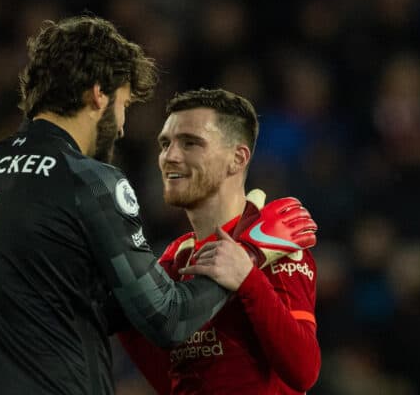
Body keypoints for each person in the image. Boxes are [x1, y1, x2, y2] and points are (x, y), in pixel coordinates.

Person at [0, 16, 314, 395]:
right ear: (99, 94)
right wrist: (249, 252)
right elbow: (168, 319)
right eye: (123, 104)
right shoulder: (88, 179)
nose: (120, 126)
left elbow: (77, 307)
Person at [118, 88, 321, 394]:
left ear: (237, 158)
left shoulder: (279, 245)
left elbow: (304, 371)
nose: (169, 157)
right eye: (165, 144)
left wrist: (248, 279)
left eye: (190, 143)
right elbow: (171, 382)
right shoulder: (174, 260)